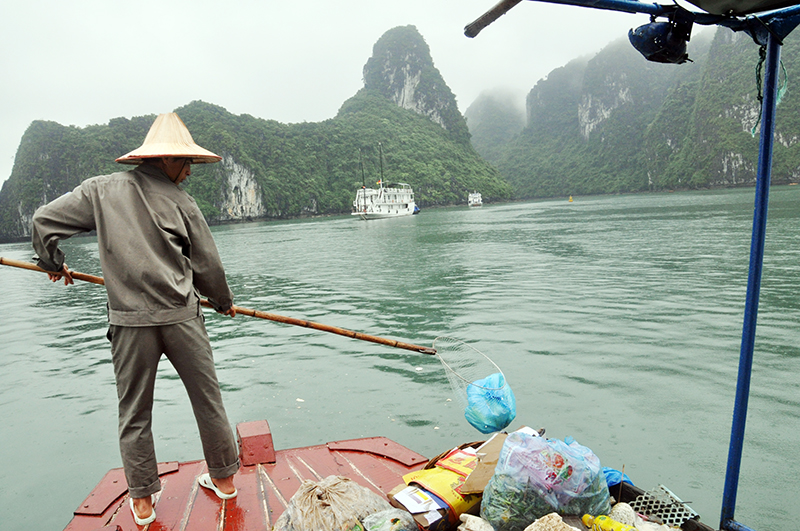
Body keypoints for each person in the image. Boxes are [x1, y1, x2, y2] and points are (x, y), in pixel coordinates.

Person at [31, 113, 240, 526]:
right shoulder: (183, 203)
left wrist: (52, 262)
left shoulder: (99, 192)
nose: (189, 172)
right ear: (164, 160)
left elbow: (43, 222)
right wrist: (222, 301)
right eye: (186, 163)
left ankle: (143, 503)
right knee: (208, 400)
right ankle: (225, 481)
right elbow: (207, 266)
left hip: (129, 325)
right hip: (182, 318)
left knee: (134, 413)